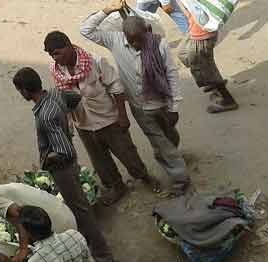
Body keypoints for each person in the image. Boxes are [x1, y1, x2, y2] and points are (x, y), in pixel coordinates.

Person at [12, 67, 116, 262]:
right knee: (80, 208)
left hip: (63, 169)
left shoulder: (46, 116)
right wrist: (69, 125)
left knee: (82, 213)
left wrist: (48, 157)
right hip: (70, 165)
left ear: (24, 90)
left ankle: (103, 258)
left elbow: (64, 151)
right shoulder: (54, 94)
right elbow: (75, 98)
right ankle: (93, 246)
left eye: (19, 90)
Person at [81, 6, 191, 197]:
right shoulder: (114, 41)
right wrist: (107, 10)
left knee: (170, 137)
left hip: (163, 104)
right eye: (131, 41)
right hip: (140, 108)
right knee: (161, 144)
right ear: (123, 36)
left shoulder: (160, 44)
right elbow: (86, 30)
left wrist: (174, 106)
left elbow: (171, 75)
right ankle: (181, 180)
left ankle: (173, 158)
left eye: (139, 39)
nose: (136, 44)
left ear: (147, 31)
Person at [44, 31, 155, 205]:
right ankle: (117, 187)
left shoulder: (95, 61)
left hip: (108, 119)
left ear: (68, 44)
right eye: (51, 54)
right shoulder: (56, 70)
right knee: (100, 162)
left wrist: (123, 116)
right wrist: (68, 126)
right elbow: (63, 97)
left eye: (57, 52)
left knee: (127, 154)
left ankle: (144, 177)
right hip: (83, 124)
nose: (55, 58)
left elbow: (116, 88)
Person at [0, 177, 81, 262]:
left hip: (59, 227)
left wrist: (23, 250)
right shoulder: (1, 189)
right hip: (67, 216)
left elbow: (20, 218)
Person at [176, 2, 239, 113]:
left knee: (205, 68)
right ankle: (212, 81)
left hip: (202, 32)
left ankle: (227, 99)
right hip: (196, 27)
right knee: (183, 53)